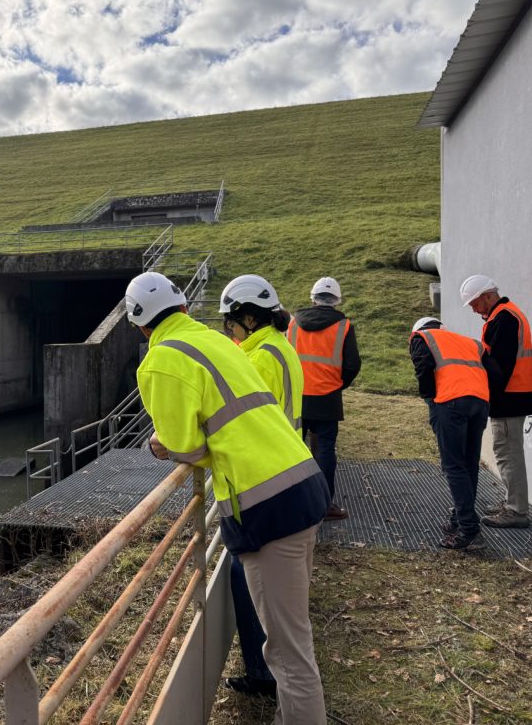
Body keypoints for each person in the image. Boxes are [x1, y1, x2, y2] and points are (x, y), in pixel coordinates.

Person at [126, 271, 329, 725]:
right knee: (293, 638)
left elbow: (183, 445)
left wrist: (159, 445)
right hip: (301, 482)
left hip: (267, 504)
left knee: (289, 653)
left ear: (140, 325)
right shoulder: (220, 343)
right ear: (183, 309)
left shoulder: (159, 361)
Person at [216, 273, 306, 699]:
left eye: (230, 323)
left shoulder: (260, 359)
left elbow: (244, 423)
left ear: (249, 319)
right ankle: (265, 668)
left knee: (248, 580)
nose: (228, 332)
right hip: (288, 471)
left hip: (264, 481)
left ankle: (263, 673)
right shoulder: (280, 347)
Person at [409, 317, 492, 550]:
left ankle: (469, 530)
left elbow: (423, 367)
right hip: (480, 403)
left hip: (451, 402)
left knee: (454, 465)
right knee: (469, 464)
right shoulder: (469, 342)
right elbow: (493, 371)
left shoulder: (422, 337)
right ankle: (460, 518)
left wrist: (430, 399)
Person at [460, 275, 532, 528]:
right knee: (507, 453)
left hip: (509, 398)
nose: (473, 309)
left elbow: (499, 368)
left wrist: (485, 393)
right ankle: (512, 503)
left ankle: (516, 511)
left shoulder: (504, 320)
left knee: (509, 455)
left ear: (487, 296)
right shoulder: (503, 316)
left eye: (474, 303)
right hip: (512, 396)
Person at [287, 277, 361, 520]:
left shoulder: (293, 323)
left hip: (298, 396)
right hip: (328, 398)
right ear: (337, 301)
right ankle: (325, 504)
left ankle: (294, 501)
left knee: (295, 449)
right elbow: (352, 364)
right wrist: (337, 385)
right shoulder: (344, 326)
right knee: (326, 451)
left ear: (312, 299)